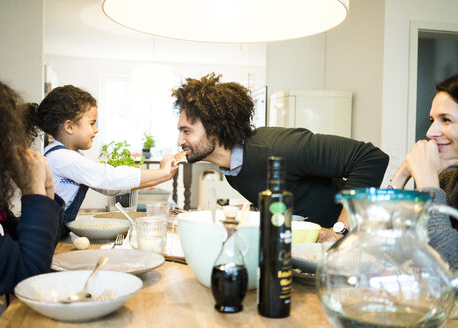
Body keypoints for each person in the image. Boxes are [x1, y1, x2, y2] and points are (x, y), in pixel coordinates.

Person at [172, 73, 389, 242]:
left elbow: (370, 158)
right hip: (311, 252)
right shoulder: (232, 169)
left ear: (215, 130)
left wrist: (340, 230)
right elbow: (291, 193)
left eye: (187, 131)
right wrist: (255, 210)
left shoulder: (280, 146)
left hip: (359, 241)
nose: (180, 140)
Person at [0, 65, 65, 327]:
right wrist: (33, 191)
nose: (8, 142)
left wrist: (46, 190)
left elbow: (32, 249)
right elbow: (28, 274)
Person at [24, 85, 178, 237]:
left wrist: (162, 177)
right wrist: (161, 172)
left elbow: (109, 189)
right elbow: (108, 178)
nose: (96, 129)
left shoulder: (64, 156)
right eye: (92, 123)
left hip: (50, 233)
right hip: (43, 236)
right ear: (69, 127)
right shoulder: (63, 159)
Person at [390, 74, 458, 269]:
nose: (430, 133)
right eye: (432, 120)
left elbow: (450, 268)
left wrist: (429, 187)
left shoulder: (437, 185)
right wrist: (401, 175)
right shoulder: (447, 181)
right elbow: (388, 245)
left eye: (445, 120)